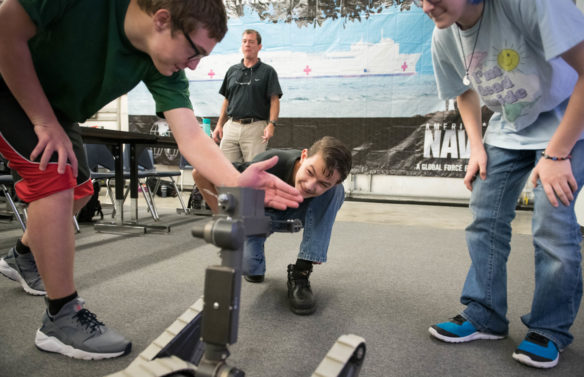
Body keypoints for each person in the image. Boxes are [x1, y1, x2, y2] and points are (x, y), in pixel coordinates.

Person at [0, 0, 302, 361]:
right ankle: (61, 317)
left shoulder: (164, 66)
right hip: (9, 81)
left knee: (80, 194)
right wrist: (43, 121)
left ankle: (22, 257)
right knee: (56, 178)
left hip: (58, 109)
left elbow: (190, 137)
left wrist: (237, 180)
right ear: (162, 20)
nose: (195, 65)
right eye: (195, 52)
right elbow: (5, 29)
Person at [416, 0, 584, 369]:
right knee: (484, 216)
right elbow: (463, 91)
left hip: (568, 119)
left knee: (552, 223)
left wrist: (557, 155)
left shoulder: (531, 4)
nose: (427, 5)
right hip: (510, 125)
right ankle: (485, 313)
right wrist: (476, 146)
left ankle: (550, 329)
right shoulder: (444, 33)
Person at [194, 136, 352, 315]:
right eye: (309, 172)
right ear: (304, 155)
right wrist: (222, 216)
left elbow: (327, 187)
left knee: (336, 193)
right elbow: (199, 172)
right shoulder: (268, 164)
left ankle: (301, 272)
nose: (310, 186)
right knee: (249, 268)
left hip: (297, 214)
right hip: (258, 216)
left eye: (323, 183)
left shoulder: (332, 187)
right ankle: (255, 255)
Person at [212, 29, 282, 163]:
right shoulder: (232, 71)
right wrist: (219, 125)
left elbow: (274, 100)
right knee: (225, 170)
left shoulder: (268, 72)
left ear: (259, 47)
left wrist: (272, 124)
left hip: (255, 128)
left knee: (253, 172)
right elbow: (227, 100)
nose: (247, 45)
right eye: (244, 41)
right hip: (231, 127)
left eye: (251, 42)